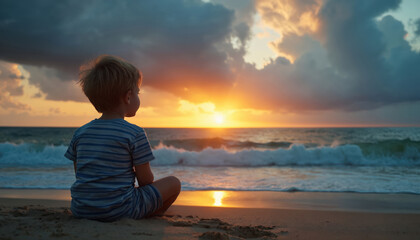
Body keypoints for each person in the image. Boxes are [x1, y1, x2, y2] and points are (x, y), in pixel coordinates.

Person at [64, 55, 180, 221]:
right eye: (138, 93)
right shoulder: (135, 133)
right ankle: (152, 215)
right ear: (128, 97)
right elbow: (146, 181)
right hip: (121, 211)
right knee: (174, 183)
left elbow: (80, 174)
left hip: (82, 209)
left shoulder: (80, 133)